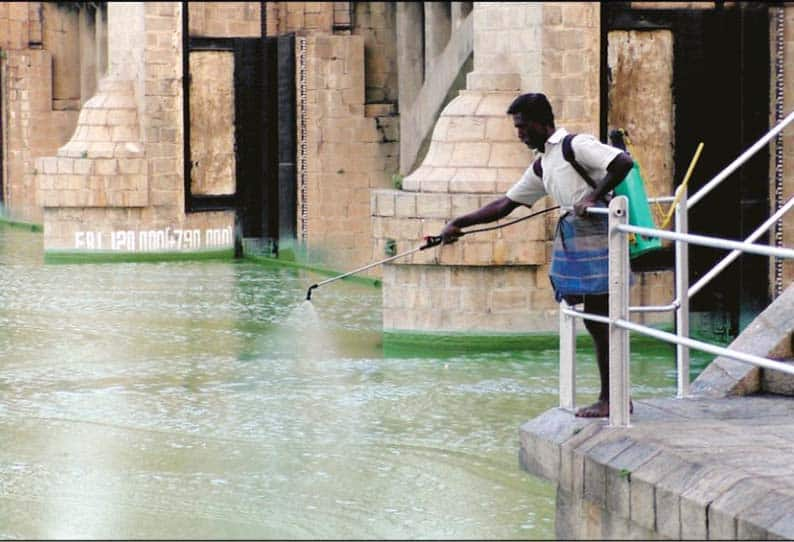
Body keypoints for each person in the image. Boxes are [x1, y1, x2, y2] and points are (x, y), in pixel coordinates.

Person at [439, 93, 633, 418]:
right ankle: (611, 396)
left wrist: (592, 197)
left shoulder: (575, 145)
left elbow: (622, 162)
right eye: (517, 128)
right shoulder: (543, 164)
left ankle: (612, 398)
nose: (520, 134)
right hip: (582, 241)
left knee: (602, 319)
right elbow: (505, 205)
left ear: (544, 122)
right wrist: (458, 223)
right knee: (595, 319)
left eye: (524, 127)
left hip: (603, 238)